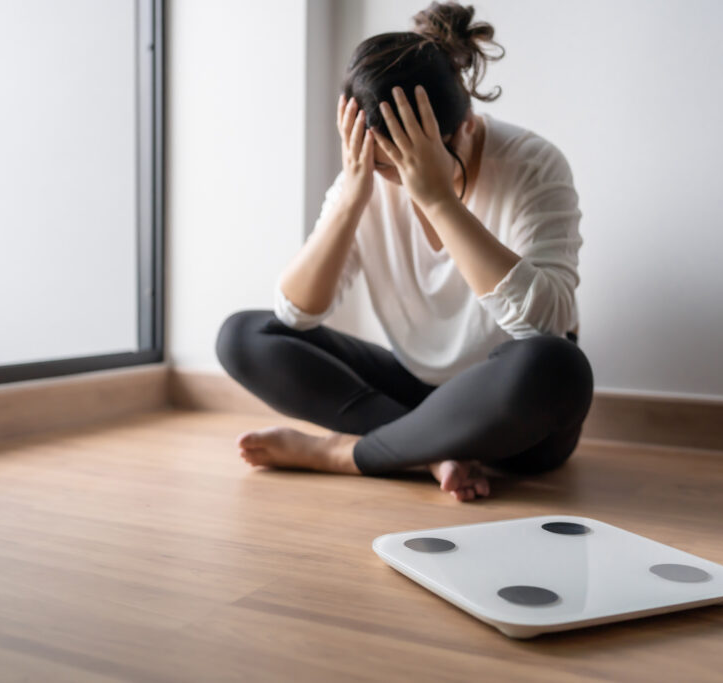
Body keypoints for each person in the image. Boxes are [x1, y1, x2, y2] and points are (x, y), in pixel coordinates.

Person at [215, 1, 593, 502]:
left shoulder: (533, 164)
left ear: (464, 128)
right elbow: (295, 314)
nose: (395, 179)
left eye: (405, 165)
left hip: (505, 411)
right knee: (243, 335)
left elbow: (545, 323)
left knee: (559, 364)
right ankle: (430, 450)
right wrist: (351, 198)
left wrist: (436, 197)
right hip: (411, 391)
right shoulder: (367, 175)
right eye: (383, 167)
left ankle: (338, 455)